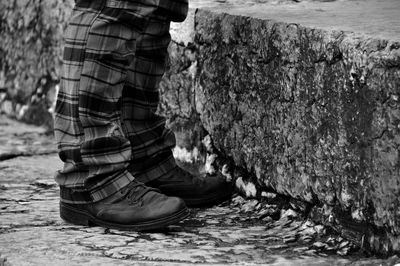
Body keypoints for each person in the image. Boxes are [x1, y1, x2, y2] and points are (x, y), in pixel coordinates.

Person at [54, 0, 232, 231]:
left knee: (157, 5)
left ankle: (142, 160)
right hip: (91, 175)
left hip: (142, 153)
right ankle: (90, 176)